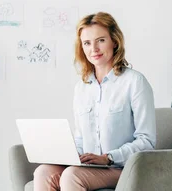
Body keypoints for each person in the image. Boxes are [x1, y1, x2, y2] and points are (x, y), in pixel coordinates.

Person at [33, 12, 157, 191]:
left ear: (114, 41)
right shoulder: (81, 88)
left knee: (71, 176)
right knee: (43, 172)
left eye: (101, 40)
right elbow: (80, 137)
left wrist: (108, 157)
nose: (94, 49)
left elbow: (147, 141)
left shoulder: (135, 82)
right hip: (89, 167)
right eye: (87, 43)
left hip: (121, 168)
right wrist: (68, 154)